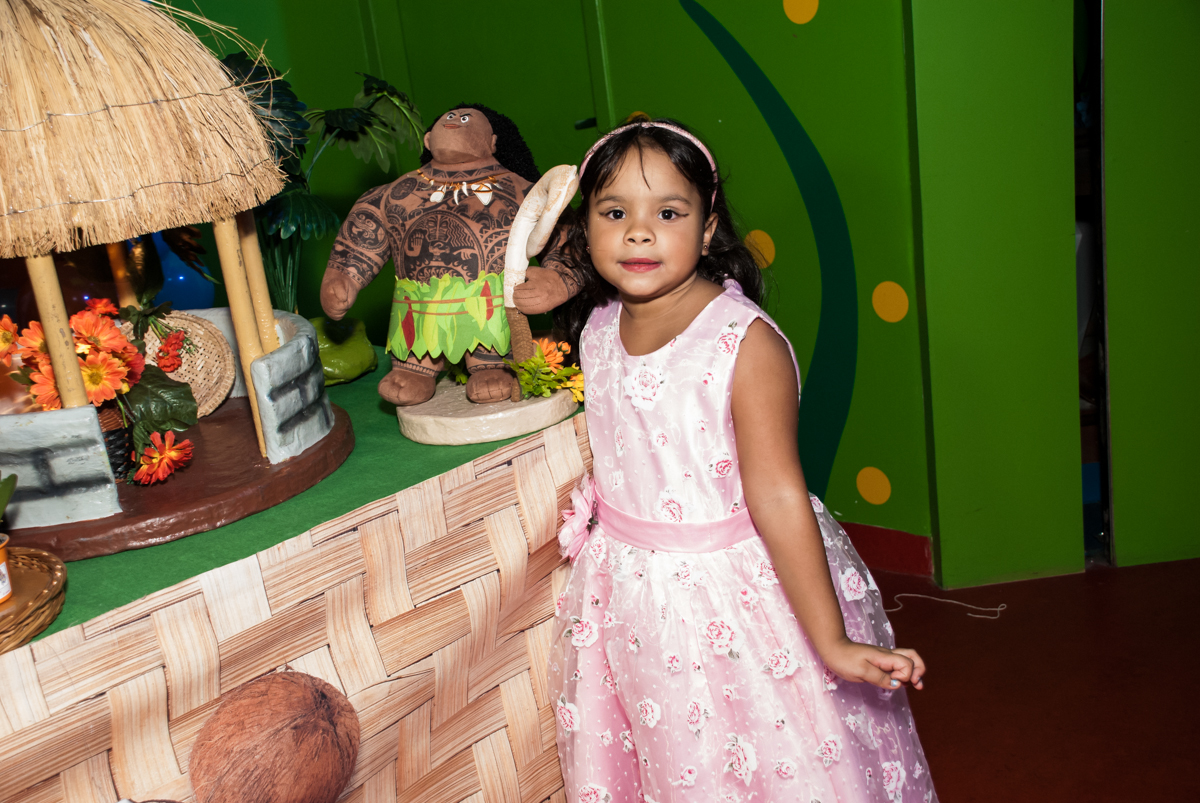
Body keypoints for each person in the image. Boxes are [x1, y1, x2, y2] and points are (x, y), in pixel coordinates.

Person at [549, 118, 937, 803]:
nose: (639, 232)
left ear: (706, 229)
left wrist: (834, 641)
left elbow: (780, 496)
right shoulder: (600, 327)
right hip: (633, 601)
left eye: (668, 212)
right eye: (615, 213)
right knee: (671, 764)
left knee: (761, 764)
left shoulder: (741, 342)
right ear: (586, 232)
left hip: (731, 604)